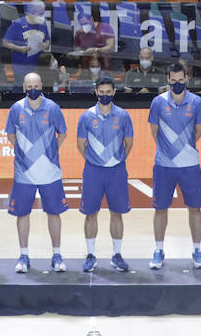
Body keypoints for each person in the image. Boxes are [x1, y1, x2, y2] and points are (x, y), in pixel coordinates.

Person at [5, 72, 68, 273]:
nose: (33, 90)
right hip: (24, 173)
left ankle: (57, 254)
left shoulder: (52, 108)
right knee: (22, 214)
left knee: (54, 213)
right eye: (29, 87)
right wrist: (25, 154)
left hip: (50, 173)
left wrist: (49, 153)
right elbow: (10, 134)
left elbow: (63, 133)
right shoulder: (16, 109)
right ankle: (23, 255)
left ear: (42, 86)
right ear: (24, 88)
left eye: (37, 86)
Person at [149, 61, 201, 269]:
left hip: (189, 164)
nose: (177, 84)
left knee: (195, 208)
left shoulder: (197, 102)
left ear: (186, 79)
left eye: (180, 80)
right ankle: (158, 250)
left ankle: (198, 249)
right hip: (164, 165)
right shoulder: (157, 102)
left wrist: (184, 149)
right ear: (168, 80)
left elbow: (199, 131)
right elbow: (154, 131)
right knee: (160, 209)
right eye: (173, 81)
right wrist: (168, 151)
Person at [75, 74, 133, 272]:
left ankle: (117, 255)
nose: (105, 95)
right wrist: (94, 161)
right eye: (102, 92)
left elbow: (129, 143)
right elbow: (80, 144)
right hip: (93, 171)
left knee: (117, 213)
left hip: (117, 170)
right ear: (96, 92)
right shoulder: (86, 116)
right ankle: (90, 255)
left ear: (114, 92)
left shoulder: (123, 116)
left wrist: (115, 160)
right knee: (91, 213)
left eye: (109, 92)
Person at [2, 0, 52, 78]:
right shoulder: (18, 24)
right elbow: (5, 42)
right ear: (31, 12)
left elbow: (47, 40)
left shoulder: (42, 23)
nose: (42, 16)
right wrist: (19, 48)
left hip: (38, 66)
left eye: (43, 13)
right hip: (21, 66)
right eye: (40, 13)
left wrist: (45, 45)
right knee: (20, 88)